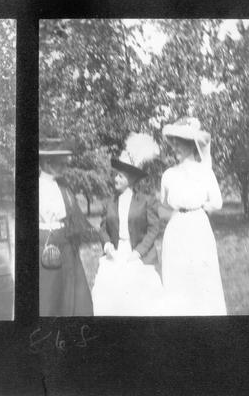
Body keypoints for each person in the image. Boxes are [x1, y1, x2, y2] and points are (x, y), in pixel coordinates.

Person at [160, 117, 227, 315]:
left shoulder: (205, 172)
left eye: (180, 143)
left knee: (200, 275)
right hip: (176, 227)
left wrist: (198, 207)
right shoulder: (168, 174)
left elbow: (217, 202)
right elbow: (164, 202)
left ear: (191, 145)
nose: (176, 147)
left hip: (198, 225)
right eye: (174, 144)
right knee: (177, 275)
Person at [92, 132, 163, 316]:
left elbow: (154, 229)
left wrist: (138, 252)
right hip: (115, 252)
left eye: (120, 177)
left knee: (140, 301)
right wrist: (107, 244)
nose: (115, 179)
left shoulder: (146, 201)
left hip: (138, 254)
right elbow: (102, 228)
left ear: (131, 180)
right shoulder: (109, 202)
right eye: (115, 176)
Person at [39, 138, 99, 316]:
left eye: (65, 163)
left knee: (73, 291)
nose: (65, 167)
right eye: (61, 164)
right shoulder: (38, 186)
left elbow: (73, 215)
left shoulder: (63, 186)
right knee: (49, 292)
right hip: (45, 243)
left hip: (66, 242)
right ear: (48, 163)